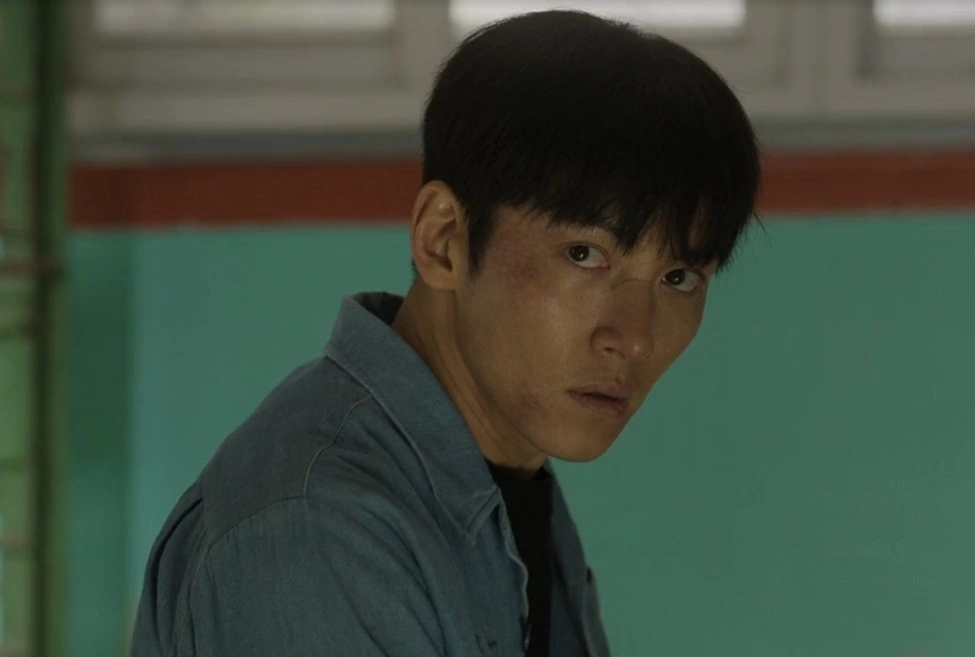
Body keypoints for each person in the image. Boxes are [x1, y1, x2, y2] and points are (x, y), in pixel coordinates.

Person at [129, 9, 759, 657]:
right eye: (583, 255)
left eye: (679, 277)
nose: (634, 338)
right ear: (443, 240)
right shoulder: (317, 529)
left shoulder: (503, 482)